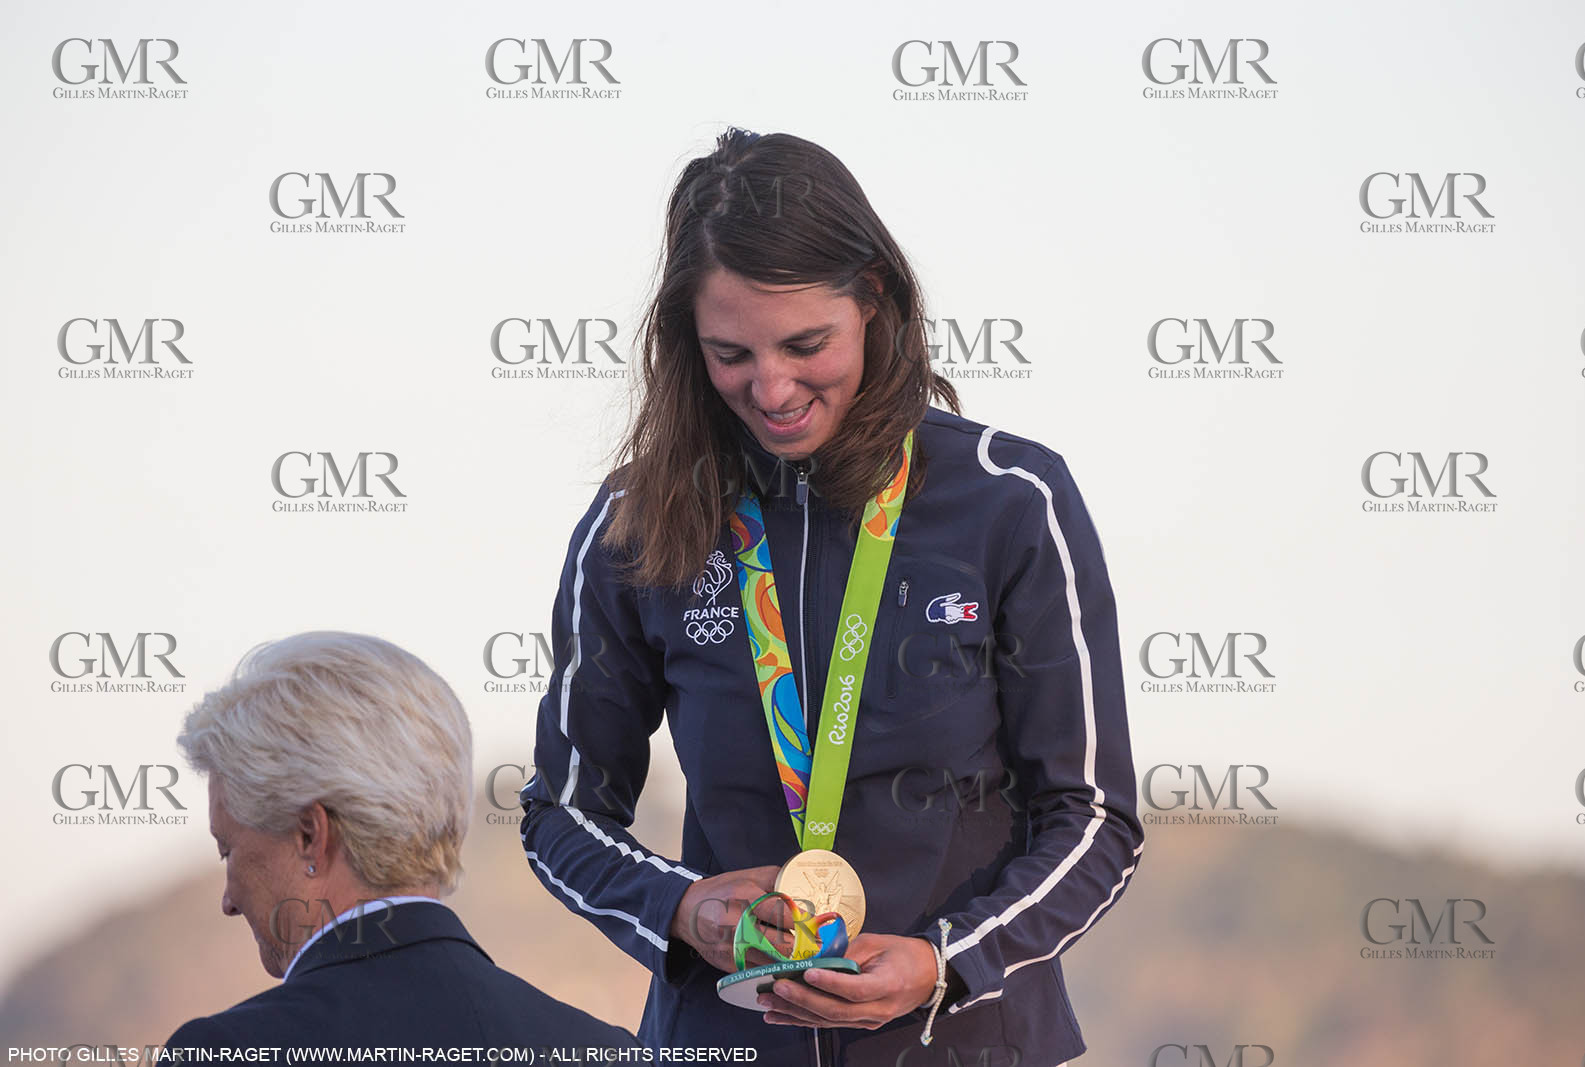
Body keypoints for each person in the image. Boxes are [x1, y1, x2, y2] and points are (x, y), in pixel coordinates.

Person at [519, 127, 1143, 1067]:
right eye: (730, 353)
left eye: (807, 344)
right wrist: (683, 909)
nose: (771, 388)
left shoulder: (1013, 501)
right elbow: (561, 809)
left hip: (964, 1043)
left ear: (874, 299)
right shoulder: (639, 516)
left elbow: (1093, 817)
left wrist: (945, 962)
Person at [163, 631, 638, 1052]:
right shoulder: (608, 1051)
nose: (227, 900)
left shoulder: (228, 1050)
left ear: (311, 834)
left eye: (228, 851)